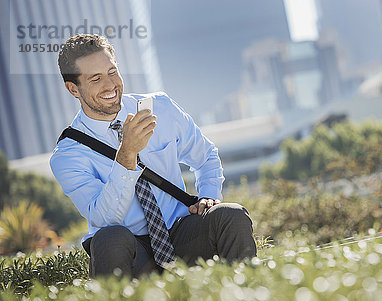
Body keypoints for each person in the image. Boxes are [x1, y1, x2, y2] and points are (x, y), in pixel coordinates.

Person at [51, 34, 257, 278]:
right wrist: (127, 154)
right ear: (73, 88)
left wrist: (209, 196)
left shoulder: (160, 108)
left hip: (182, 233)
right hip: (128, 249)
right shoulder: (68, 155)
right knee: (109, 237)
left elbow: (206, 156)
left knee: (231, 216)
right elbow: (104, 218)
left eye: (112, 72)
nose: (110, 85)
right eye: (95, 79)